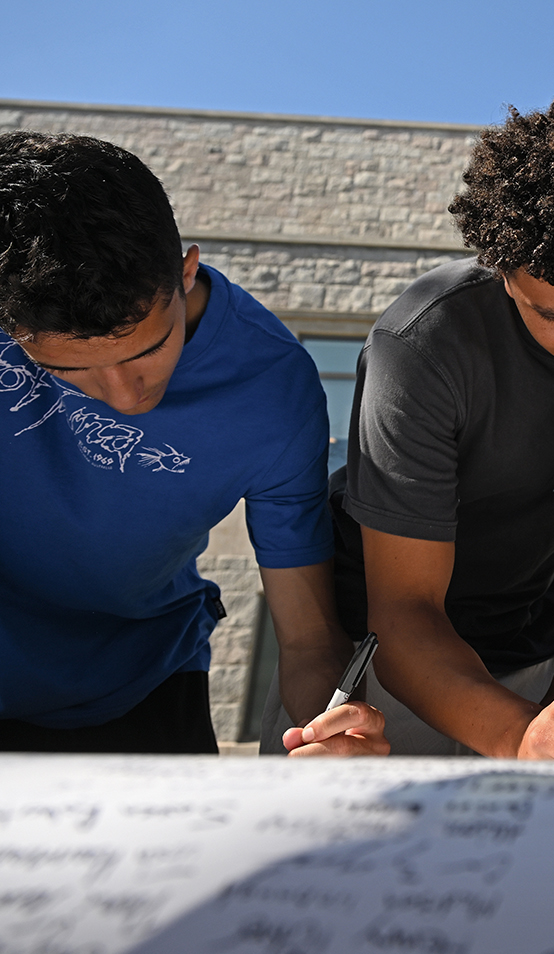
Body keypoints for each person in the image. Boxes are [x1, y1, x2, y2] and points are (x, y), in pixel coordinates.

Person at [260, 99, 554, 759]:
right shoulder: (423, 344)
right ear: (504, 279)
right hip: (371, 664)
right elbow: (404, 615)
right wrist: (524, 735)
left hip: (531, 646)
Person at [0, 132, 387, 755]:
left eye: (150, 349)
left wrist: (328, 732)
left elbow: (308, 638)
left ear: (186, 272)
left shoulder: (273, 388)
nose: (127, 396)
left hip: (140, 682)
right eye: (70, 370)